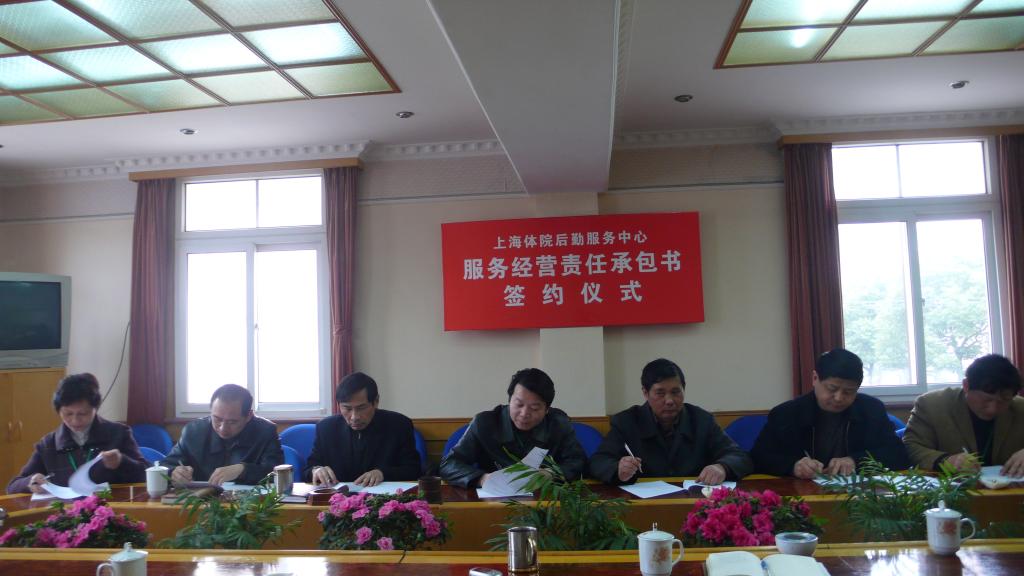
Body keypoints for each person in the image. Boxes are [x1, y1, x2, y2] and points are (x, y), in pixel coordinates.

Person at [589, 358, 753, 485]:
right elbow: (598, 462)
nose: (669, 400)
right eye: (660, 393)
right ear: (645, 393)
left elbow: (739, 457)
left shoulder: (702, 420)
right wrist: (617, 469)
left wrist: (722, 467)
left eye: (676, 392)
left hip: (692, 501)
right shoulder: (626, 422)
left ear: (684, 389)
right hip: (642, 504)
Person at [751, 348, 909, 478]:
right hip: (801, 494)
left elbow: (898, 454)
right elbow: (758, 457)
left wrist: (855, 461)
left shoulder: (871, 410)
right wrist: (793, 466)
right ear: (815, 378)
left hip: (858, 493)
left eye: (848, 391)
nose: (839, 398)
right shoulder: (786, 413)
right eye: (832, 388)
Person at [440, 368, 586, 489]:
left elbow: (578, 461)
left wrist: (551, 473)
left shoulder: (558, 424)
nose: (524, 413)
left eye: (535, 408)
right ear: (510, 400)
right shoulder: (485, 423)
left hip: (544, 499)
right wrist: (482, 479)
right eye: (519, 404)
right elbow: (449, 464)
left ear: (547, 409)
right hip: (494, 500)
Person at [7, 373, 146, 494]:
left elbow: (146, 474)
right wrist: (30, 482)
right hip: (66, 512)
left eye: (83, 413)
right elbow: (13, 486)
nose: (75, 420)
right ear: (59, 411)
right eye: (68, 414)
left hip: (111, 509)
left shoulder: (118, 433)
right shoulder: (48, 444)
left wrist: (121, 462)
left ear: (95, 408)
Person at [903, 354, 1024, 476]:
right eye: (987, 400)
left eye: (1004, 400)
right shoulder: (931, 405)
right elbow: (912, 446)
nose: (992, 409)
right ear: (966, 385)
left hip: (1008, 485)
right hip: (951, 485)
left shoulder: (1020, 408)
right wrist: (945, 460)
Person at [306, 372, 422, 487]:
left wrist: (382, 473)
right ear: (339, 405)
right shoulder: (326, 428)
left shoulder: (399, 425)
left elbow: (414, 470)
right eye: (347, 408)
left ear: (376, 402)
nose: (354, 417)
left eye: (361, 408)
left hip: (383, 496)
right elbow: (308, 470)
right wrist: (316, 470)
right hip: (337, 496)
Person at [163, 384, 283, 486]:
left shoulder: (265, 432)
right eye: (217, 419)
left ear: (248, 416)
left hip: (250, 503)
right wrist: (174, 473)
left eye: (232, 422)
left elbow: (278, 474)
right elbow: (165, 466)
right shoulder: (193, 432)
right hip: (200, 501)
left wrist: (243, 470)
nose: (223, 428)